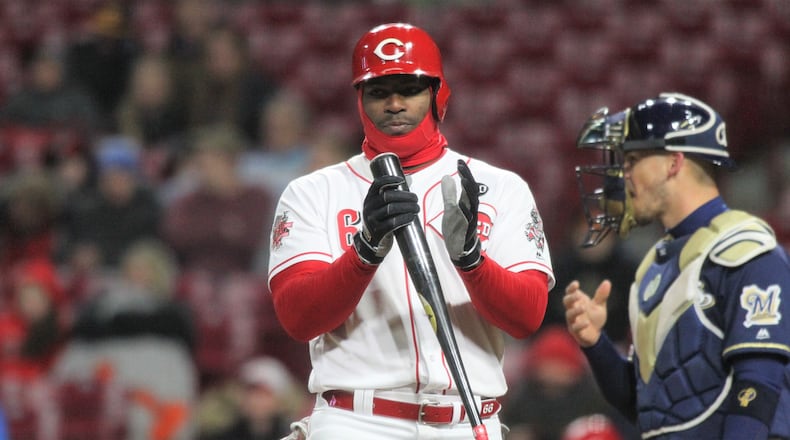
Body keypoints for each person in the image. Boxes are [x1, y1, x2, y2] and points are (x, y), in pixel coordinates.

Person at [267, 23, 553, 439]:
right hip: (357, 420)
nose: (395, 104)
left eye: (410, 89)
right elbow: (298, 318)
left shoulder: (499, 187)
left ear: (439, 95)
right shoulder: (313, 192)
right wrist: (364, 251)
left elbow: (528, 316)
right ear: (360, 100)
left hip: (467, 418)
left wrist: (472, 261)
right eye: (379, 91)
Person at [563, 92, 790, 439]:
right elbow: (651, 405)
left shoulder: (745, 250)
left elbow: (759, 384)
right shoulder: (653, 267)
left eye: (634, 159)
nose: (623, 175)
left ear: (674, 163)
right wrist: (596, 343)